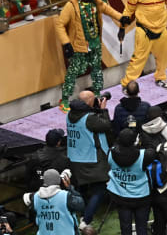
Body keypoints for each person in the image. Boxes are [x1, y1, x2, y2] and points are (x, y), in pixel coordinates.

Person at [55, 0, 123, 110]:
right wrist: (66, 43)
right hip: (79, 46)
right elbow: (59, 24)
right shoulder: (71, 6)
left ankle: (97, 95)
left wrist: (121, 17)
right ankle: (64, 100)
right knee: (73, 72)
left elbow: (106, 8)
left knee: (97, 70)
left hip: (95, 43)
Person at [66, 90, 112, 225]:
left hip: (75, 157)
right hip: (91, 159)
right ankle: (86, 220)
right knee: (100, 189)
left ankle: (81, 215)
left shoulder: (70, 114)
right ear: (90, 102)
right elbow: (105, 125)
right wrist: (103, 110)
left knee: (82, 189)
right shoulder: (89, 118)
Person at [106, 128, 153, 235]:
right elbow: (152, 148)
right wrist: (143, 133)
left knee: (125, 227)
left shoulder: (110, 152)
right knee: (142, 227)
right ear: (134, 141)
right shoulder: (144, 155)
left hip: (121, 196)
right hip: (141, 197)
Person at [24, 169, 84, 235]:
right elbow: (80, 205)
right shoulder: (65, 196)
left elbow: (33, 216)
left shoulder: (35, 197)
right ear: (58, 180)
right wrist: (70, 187)